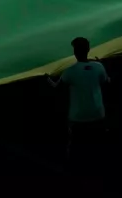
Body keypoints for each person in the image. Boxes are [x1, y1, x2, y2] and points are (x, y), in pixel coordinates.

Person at [46, 38, 110, 169]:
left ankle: (74, 172)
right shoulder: (99, 67)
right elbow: (107, 81)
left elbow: (55, 87)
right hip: (98, 115)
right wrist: (101, 66)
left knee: (75, 149)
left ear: (75, 52)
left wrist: (46, 77)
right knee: (100, 148)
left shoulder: (70, 71)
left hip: (78, 118)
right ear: (88, 50)